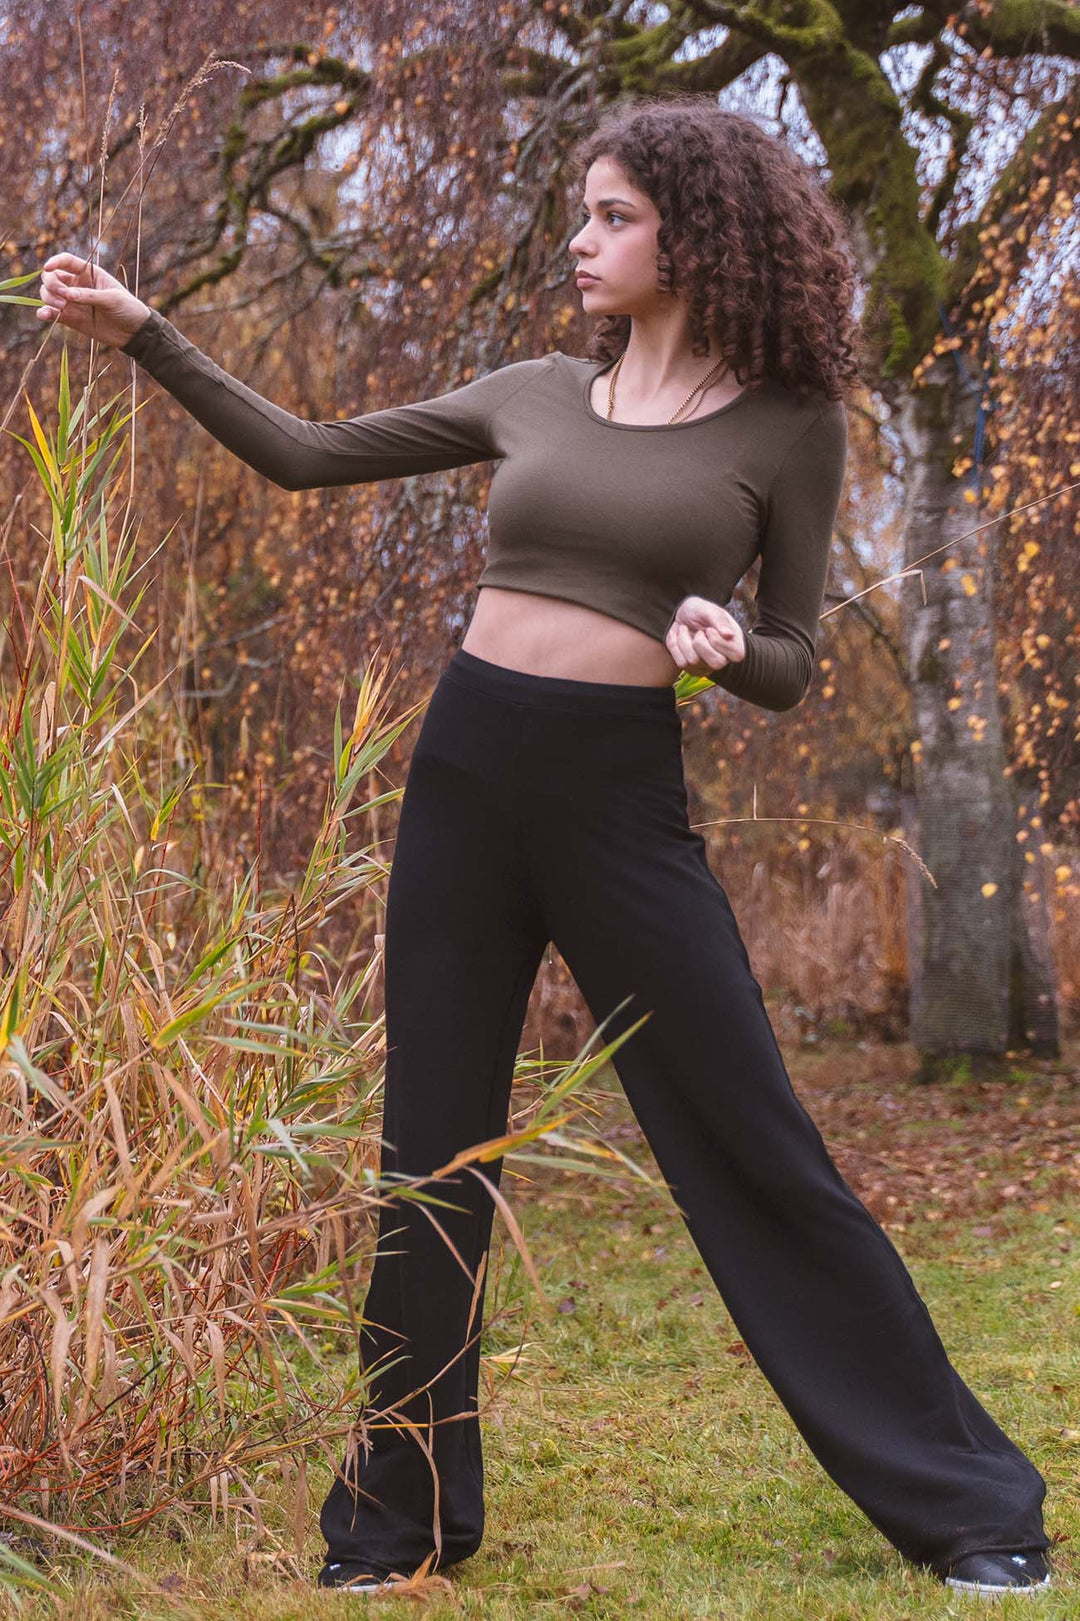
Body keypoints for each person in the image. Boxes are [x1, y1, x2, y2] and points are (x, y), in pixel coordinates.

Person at [39, 95, 1053, 1601]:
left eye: (612, 216)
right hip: (464, 774)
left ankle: (973, 1500)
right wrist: (148, 335)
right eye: (584, 214)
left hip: (616, 797)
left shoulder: (790, 425)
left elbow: (785, 654)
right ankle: (399, 1521)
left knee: (751, 1137)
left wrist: (722, 647)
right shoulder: (533, 393)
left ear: (696, 237)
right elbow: (310, 454)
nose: (581, 242)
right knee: (430, 1153)